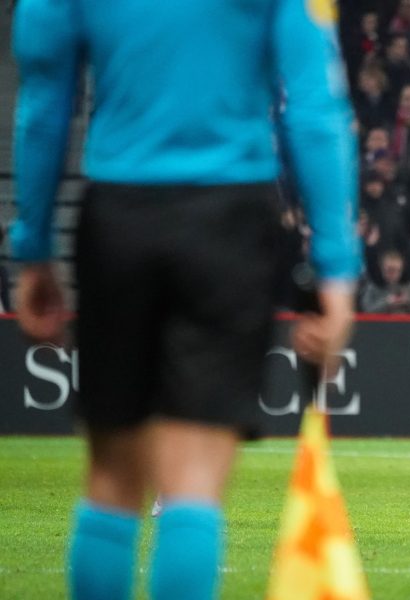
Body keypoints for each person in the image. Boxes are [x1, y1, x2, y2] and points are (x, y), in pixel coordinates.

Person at [11, 2, 359, 599]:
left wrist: (33, 247)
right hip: (230, 219)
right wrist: (336, 267)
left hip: (119, 214)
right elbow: (314, 107)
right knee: (193, 485)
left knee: (112, 482)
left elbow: (44, 105)